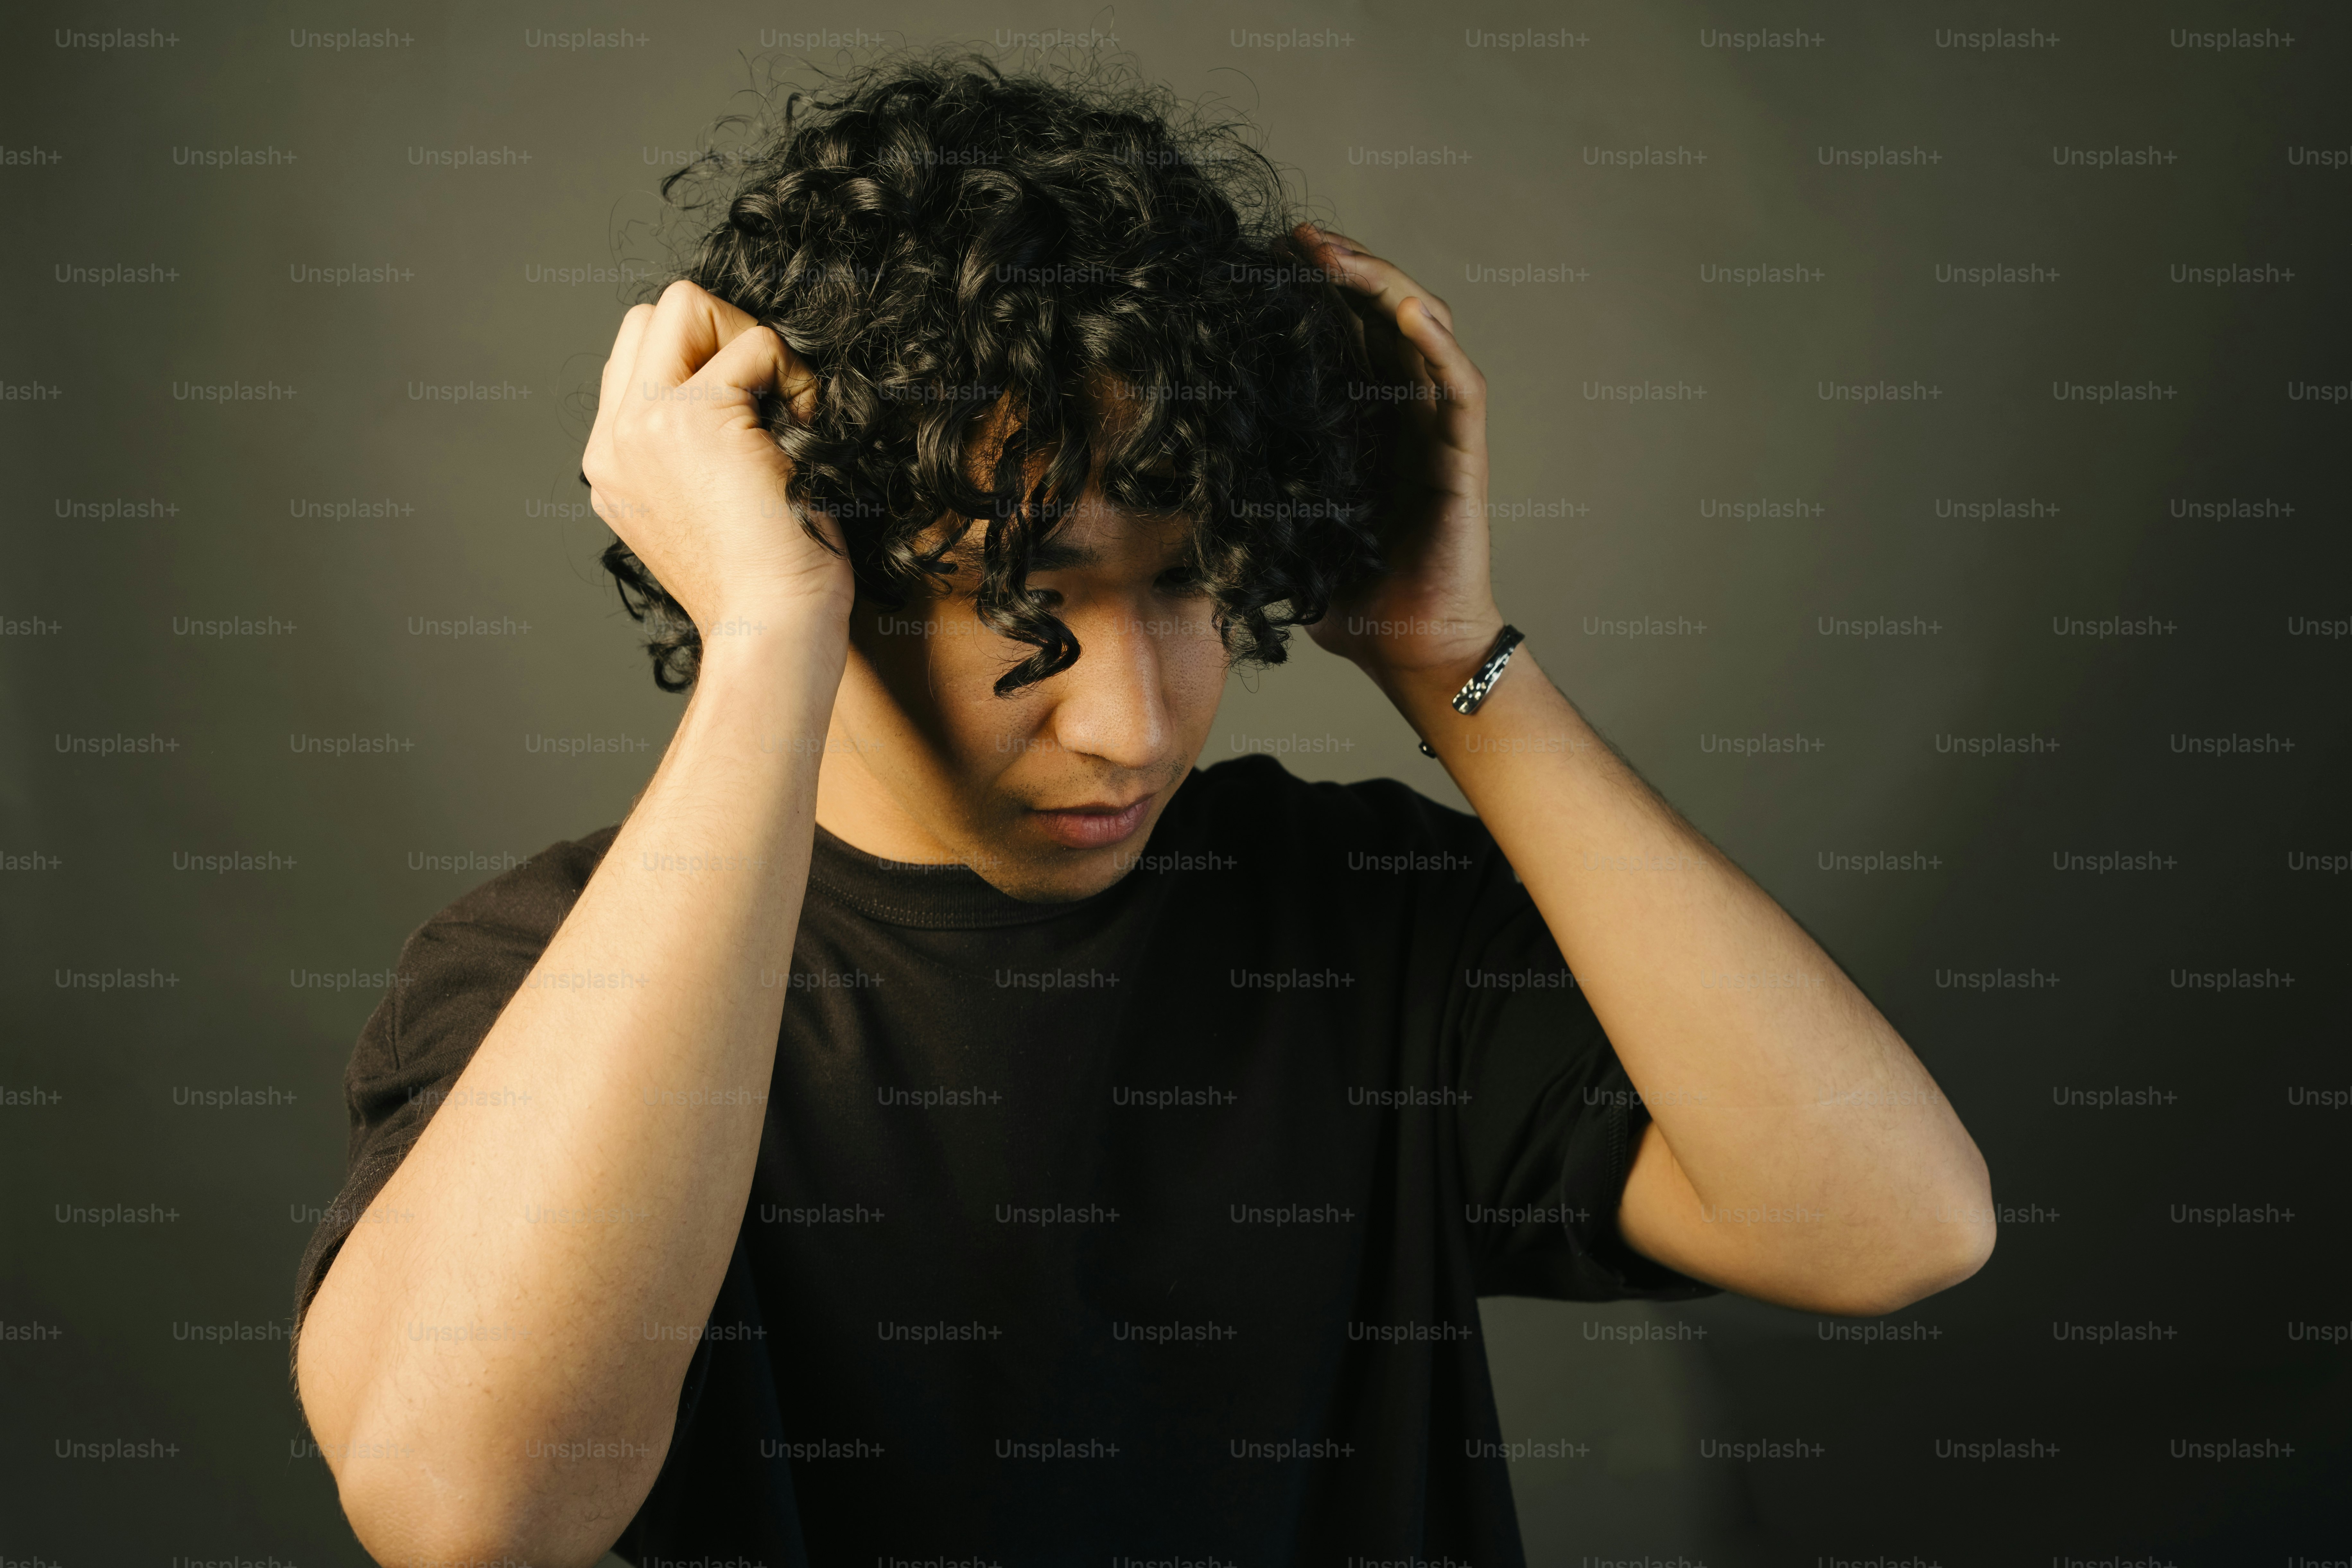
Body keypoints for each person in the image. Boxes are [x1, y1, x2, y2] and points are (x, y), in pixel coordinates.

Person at [290, 55, 1993, 1568]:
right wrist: (762, 641)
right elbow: (470, 1512)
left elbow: (1893, 1225)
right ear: (822, 549)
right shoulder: (554, 978)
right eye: (1023, 600)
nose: (1136, 724)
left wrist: (1450, 655)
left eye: (1187, 583)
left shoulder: (1362, 916)